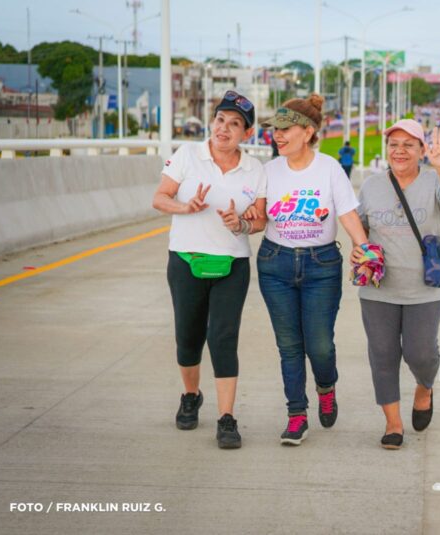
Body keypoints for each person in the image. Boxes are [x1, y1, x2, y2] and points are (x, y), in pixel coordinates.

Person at [152, 90, 267, 449]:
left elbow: (260, 219)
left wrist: (240, 224)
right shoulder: (187, 155)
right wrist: (185, 207)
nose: (224, 129)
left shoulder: (255, 169)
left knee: (222, 338)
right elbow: (160, 198)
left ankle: (226, 418)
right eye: (220, 120)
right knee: (188, 338)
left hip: (232, 264)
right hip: (185, 261)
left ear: (247, 133)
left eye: (235, 124)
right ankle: (191, 395)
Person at [257, 94, 369, 446]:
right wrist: (238, 220)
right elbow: (256, 216)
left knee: (319, 345)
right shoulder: (268, 171)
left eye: (284, 129)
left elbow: (347, 213)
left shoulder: (329, 169)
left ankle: (326, 385)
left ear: (307, 132)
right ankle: (296, 415)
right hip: (275, 264)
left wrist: (365, 250)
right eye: (275, 129)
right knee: (289, 345)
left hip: (321, 266)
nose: (277, 135)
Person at [353, 119, 440, 449]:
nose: (399, 151)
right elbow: (360, 226)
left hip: (424, 289)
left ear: (421, 150)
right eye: (394, 144)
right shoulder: (372, 185)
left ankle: (424, 388)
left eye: (408, 145)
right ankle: (393, 424)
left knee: (422, 354)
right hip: (378, 290)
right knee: (383, 356)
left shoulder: (433, 180)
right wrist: (359, 251)